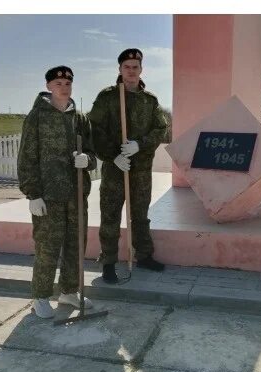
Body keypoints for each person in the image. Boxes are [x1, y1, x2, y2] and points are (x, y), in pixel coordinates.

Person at [17, 65, 97, 319]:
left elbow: (93, 152)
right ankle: (40, 296)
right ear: (49, 86)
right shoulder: (37, 116)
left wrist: (88, 160)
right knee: (47, 247)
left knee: (76, 245)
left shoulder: (79, 117)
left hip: (76, 193)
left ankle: (69, 291)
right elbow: (27, 157)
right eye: (58, 83)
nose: (64, 87)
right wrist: (33, 194)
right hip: (48, 195)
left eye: (68, 83)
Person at [89, 49, 169, 282]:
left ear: (141, 70)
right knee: (111, 215)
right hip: (116, 169)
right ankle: (108, 263)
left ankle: (143, 256)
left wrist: (140, 144)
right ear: (120, 69)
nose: (131, 71)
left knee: (140, 215)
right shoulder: (107, 98)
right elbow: (95, 130)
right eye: (127, 67)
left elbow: (160, 129)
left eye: (135, 67)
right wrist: (112, 155)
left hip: (141, 170)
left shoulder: (149, 101)